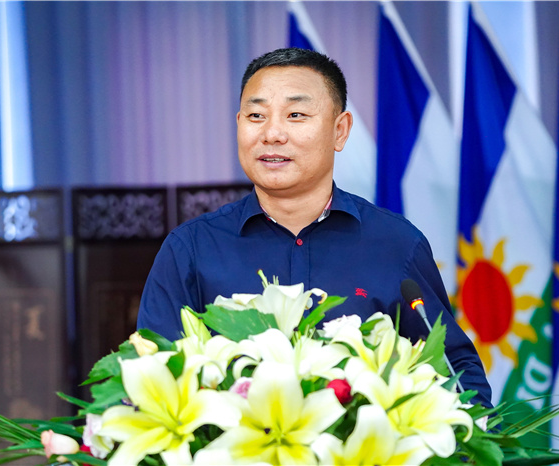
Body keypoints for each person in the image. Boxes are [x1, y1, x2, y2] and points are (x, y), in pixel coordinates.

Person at [137, 47, 492, 408]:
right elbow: (151, 376)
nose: (272, 133)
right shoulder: (191, 250)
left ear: (340, 131)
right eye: (256, 115)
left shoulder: (396, 244)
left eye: (296, 115)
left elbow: (454, 371)